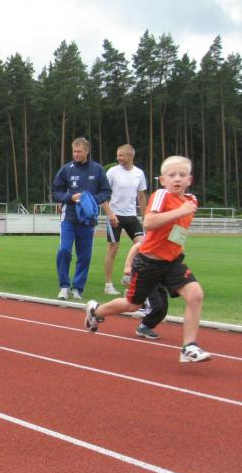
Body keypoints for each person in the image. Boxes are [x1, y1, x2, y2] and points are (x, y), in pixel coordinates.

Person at [85, 156, 210, 363]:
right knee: (132, 305)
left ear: (190, 180)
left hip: (173, 262)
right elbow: (149, 222)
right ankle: (95, 311)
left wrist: (177, 238)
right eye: (172, 175)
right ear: (162, 180)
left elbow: (178, 231)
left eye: (182, 175)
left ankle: (189, 347)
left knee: (195, 295)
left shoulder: (191, 201)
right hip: (148, 263)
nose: (177, 179)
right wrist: (179, 212)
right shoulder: (161, 195)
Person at [52, 137, 111, 300]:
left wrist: (90, 200)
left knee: (84, 256)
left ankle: (78, 288)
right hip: (69, 217)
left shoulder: (98, 170)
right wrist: (70, 197)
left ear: (87, 151)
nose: (76, 154)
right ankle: (64, 286)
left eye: (79, 151)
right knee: (64, 250)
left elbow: (106, 192)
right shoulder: (66, 169)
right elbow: (56, 192)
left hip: (88, 219)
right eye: (74, 151)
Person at [103, 144, 147, 294]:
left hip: (131, 216)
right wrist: (109, 213)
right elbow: (104, 194)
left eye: (121, 155)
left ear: (130, 156)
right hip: (115, 215)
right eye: (117, 155)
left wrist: (146, 217)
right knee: (113, 248)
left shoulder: (139, 173)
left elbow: (141, 196)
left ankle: (130, 277)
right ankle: (108, 285)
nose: (118, 158)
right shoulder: (112, 172)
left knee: (143, 247)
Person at [120, 240, 168, 340]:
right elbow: (135, 247)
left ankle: (144, 326)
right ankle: (134, 298)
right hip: (146, 274)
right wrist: (127, 266)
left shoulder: (174, 238)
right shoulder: (156, 236)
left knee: (163, 310)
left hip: (160, 275)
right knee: (156, 305)